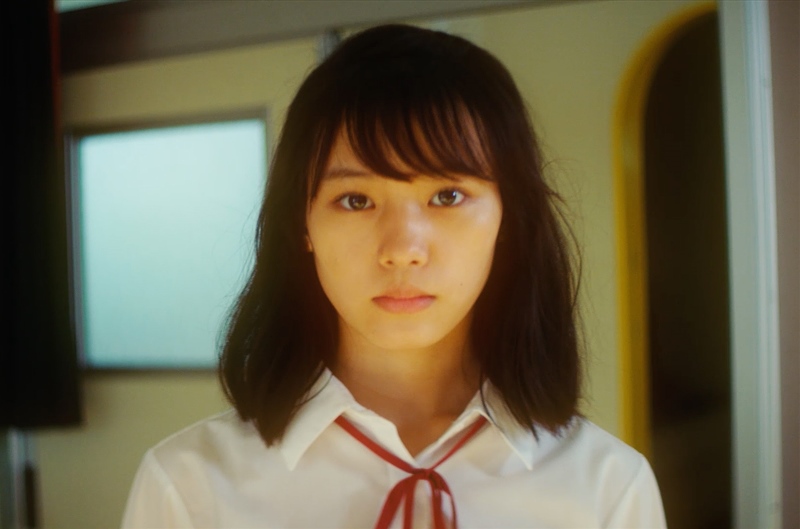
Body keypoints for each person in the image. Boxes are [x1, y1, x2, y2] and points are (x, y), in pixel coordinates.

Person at [122, 24, 666, 529]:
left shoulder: (606, 488)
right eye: (355, 200)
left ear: (509, 219)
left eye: (447, 196)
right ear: (301, 224)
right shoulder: (189, 486)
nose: (402, 250)